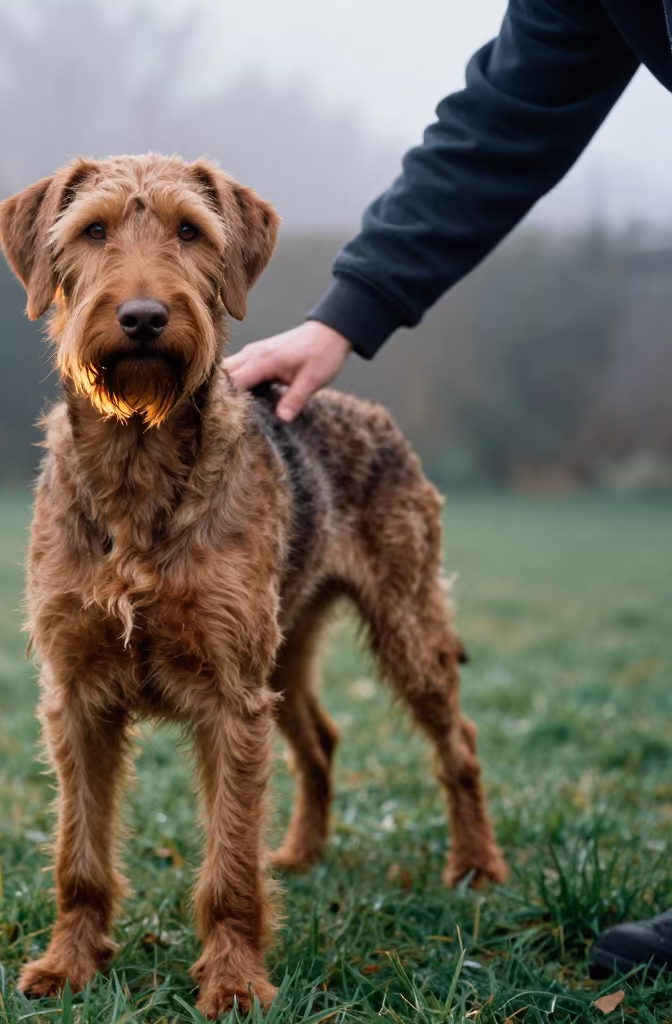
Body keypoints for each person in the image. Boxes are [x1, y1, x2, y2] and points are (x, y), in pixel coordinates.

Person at [225, 0, 672, 979]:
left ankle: (464, 798)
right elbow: (505, 114)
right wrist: (346, 312)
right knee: (280, 667)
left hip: (370, 489)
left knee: (420, 665)